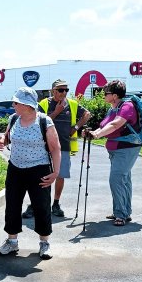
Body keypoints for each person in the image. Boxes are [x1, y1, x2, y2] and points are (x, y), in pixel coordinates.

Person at [0, 87, 61, 260]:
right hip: (15, 168)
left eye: (16, 102)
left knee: (41, 206)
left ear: (26, 105)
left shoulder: (44, 122)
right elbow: (7, 137)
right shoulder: (14, 118)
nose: (13, 104)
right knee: (12, 205)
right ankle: (12, 242)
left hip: (39, 169)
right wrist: (1, 141)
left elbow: (55, 148)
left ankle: (44, 243)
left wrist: (55, 172)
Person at [22, 79, 91, 219]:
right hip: (43, 146)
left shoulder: (72, 104)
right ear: (53, 90)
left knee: (60, 175)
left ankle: (56, 204)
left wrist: (76, 128)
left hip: (64, 146)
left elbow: (87, 114)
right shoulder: (44, 104)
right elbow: (36, 121)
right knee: (40, 175)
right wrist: (56, 112)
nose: (64, 93)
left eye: (66, 90)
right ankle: (35, 204)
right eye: (61, 90)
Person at [86, 80, 141, 226]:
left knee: (116, 179)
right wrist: (93, 133)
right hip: (116, 150)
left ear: (115, 95)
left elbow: (115, 124)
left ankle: (121, 214)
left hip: (126, 149)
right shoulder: (113, 108)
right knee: (124, 180)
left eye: (106, 92)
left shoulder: (127, 106)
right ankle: (123, 211)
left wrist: (97, 135)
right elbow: (105, 126)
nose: (103, 94)